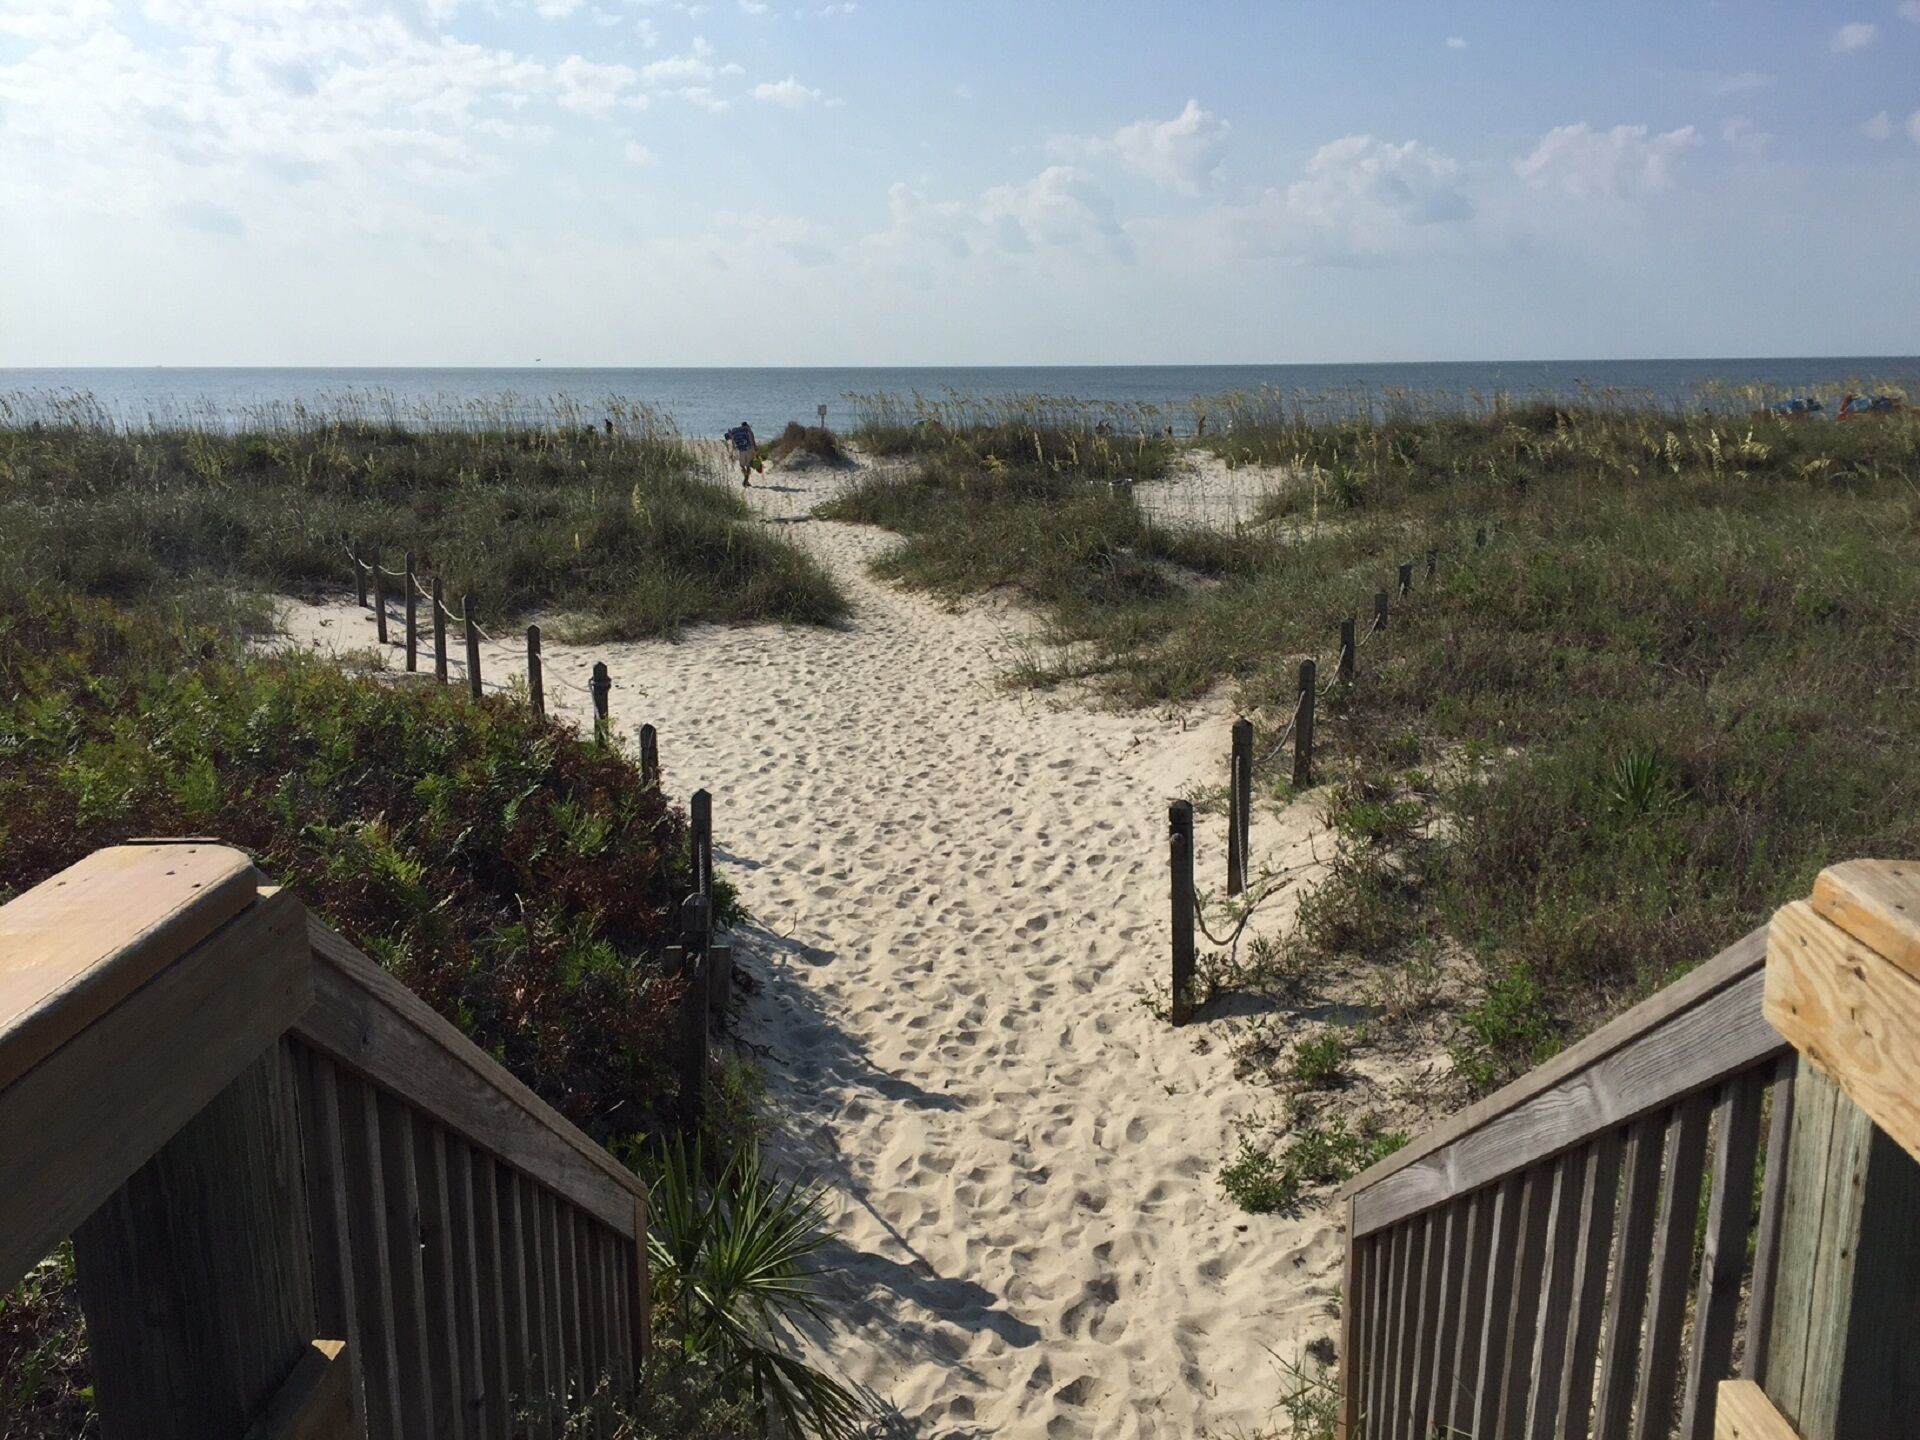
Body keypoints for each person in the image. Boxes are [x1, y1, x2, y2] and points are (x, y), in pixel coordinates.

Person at [723, 420, 759, 485]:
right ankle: (746, 478)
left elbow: (729, 437)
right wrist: (755, 449)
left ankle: (746, 478)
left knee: (742, 465)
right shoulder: (748, 430)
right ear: (747, 425)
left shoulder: (736, 431)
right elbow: (752, 439)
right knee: (748, 465)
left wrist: (733, 448)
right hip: (749, 449)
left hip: (741, 450)